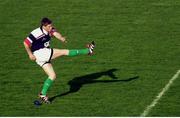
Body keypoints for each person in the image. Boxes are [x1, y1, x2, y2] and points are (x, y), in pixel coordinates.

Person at [23, 17, 95, 103]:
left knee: (52, 76)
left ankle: (42, 94)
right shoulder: (36, 33)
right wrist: (30, 54)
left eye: (51, 25)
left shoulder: (50, 29)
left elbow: (55, 33)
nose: (51, 27)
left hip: (42, 56)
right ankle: (88, 51)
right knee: (63, 52)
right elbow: (25, 43)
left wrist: (61, 38)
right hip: (40, 53)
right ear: (44, 26)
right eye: (49, 26)